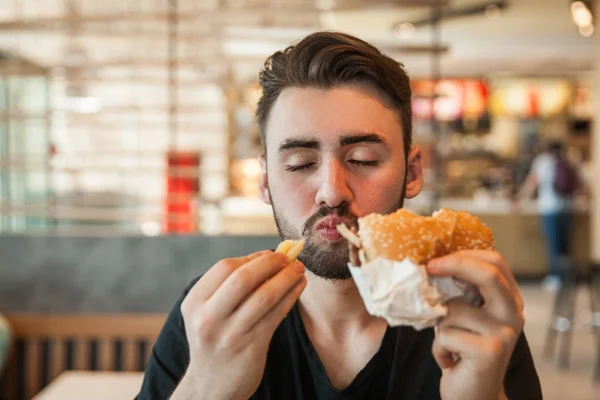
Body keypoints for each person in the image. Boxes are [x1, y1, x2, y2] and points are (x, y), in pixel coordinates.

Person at [137, 32, 541, 400]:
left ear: (412, 172)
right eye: (298, 163)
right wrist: (205, 389)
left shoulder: (471, 315)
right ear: (265, 183)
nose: (332, 191)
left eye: (363, 159)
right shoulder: (212, 316)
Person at [516, 141, 578, 291]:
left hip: (550, 208)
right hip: (568, 208)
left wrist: (519, 201)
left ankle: (556, 277)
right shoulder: (569, 159)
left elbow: (532, 183)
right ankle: (567, 277)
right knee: (565, 245)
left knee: (554, 244)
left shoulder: (542, 161)